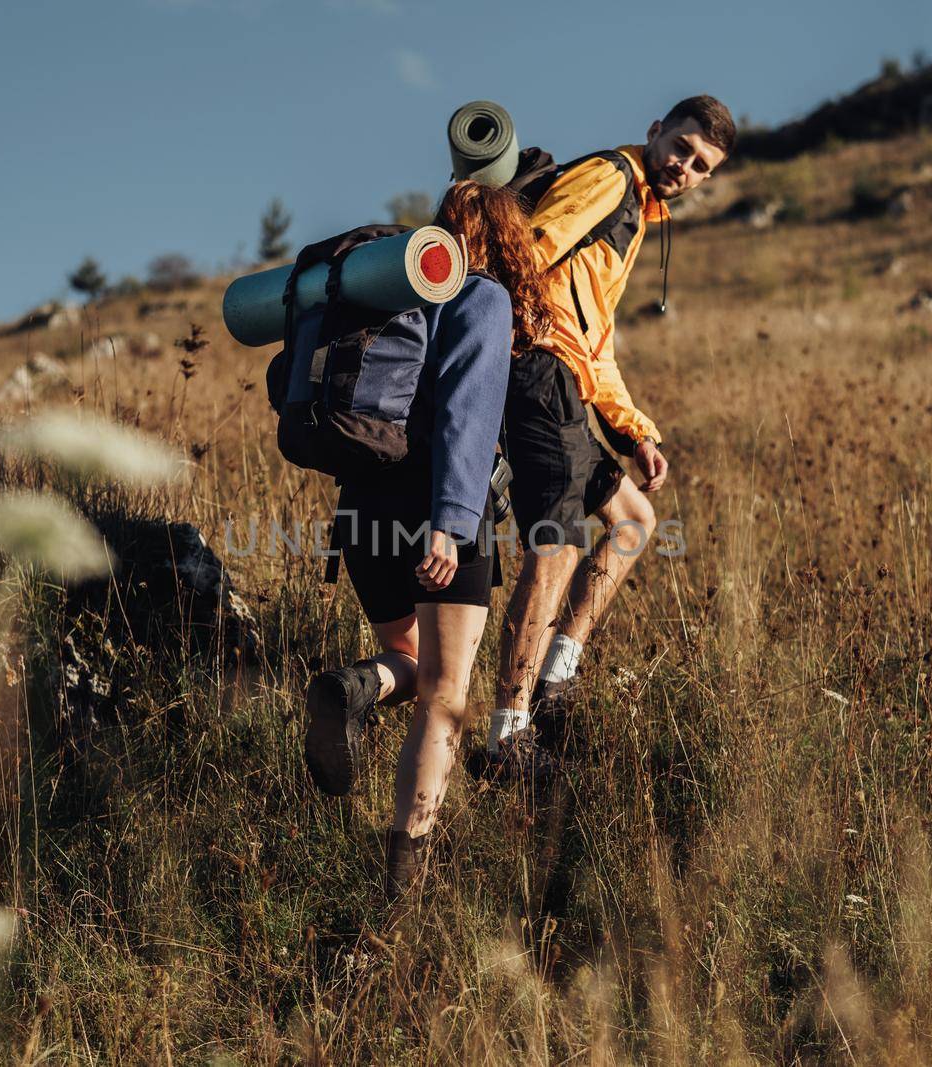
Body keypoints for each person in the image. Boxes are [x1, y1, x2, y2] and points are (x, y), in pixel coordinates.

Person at [302, 181, 553, 898]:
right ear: (505, 239)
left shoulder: (387, 300)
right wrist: (449, 520)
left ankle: (357, 684)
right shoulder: (482, 297)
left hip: (361, 510)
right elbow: (467, 424)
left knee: (404, 659)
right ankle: (405, 877)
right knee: (446, 694)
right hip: (438, 515)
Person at [483, 95, 736, 773]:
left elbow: (597, 340)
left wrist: (635, 432)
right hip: (538, 372)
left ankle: (554, 681)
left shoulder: (640, 211)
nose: (683, 166)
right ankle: (508, 733)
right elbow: (530, 248)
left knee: (633, 518)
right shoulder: (611, 179)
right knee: (555, 549)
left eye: (699, 165)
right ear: (657, 131)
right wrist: (515, 337)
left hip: (567, 374)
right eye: (681, 148)